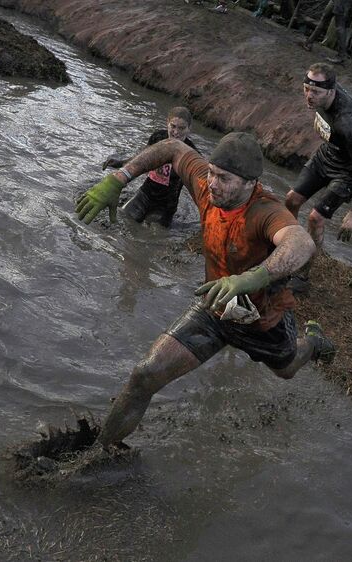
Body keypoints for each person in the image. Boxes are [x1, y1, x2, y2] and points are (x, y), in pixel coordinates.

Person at [75, 132, 336, 447]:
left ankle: (313, 340)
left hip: (262, 319)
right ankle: (101, 452)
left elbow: (301, 242)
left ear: (249, 184)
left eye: (224, 178)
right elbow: (173, 147)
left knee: (288, 368)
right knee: (145, 374)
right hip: (215, 305)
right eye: (211, 172)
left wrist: (252, 278)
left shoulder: (265, 210)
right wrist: (119, 179)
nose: (212, 183)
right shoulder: (206, 186)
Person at [284, 62, 352, 290]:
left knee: (315, 218)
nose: (309, 96)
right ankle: (285, 246)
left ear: (331, 91)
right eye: (306, 88)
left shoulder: (347, 122)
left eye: (315, 92)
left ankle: (303, 273)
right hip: (327, 156)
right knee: (291, 200)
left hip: (348, 171)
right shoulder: (327, 89)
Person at [102, 107, 199, 228]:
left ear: (189, 128)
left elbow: (197, 187)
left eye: (181, 128)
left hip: (166, 206)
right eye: (173, 126)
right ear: (167, 123)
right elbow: (141, 160)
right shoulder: (158, 137)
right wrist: (120, 163)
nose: (176, 132)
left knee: (152, 232)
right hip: (144, 195)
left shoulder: (192, 154)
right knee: (120, 218)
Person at [300, 0, 352, 64]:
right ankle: (309, 43)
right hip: (339, 3)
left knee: (339, 27)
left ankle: (341, 56)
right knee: (327, 22)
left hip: (341, 4)